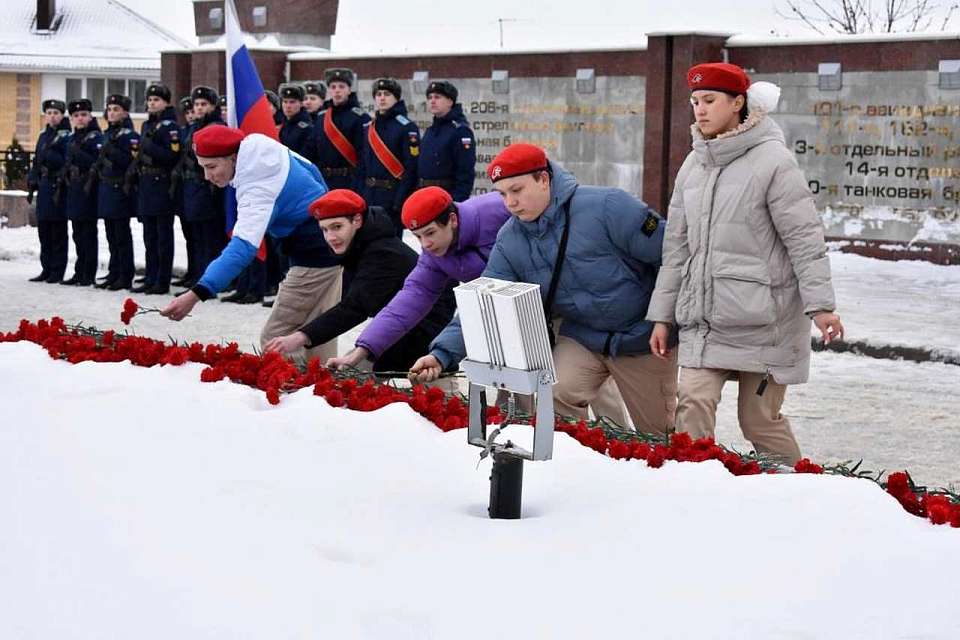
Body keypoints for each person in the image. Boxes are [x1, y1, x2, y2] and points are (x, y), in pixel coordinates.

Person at [646, 62, 844, 465]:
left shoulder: (773, 161)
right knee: (692, 406)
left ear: (738, 103)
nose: (699, 110)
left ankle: (796, 495)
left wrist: (821, 307)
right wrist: (662, 316)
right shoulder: (693, 165)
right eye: (695, 101)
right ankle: (694, 494)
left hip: (766, 322)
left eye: (710, 100)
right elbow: (677, 249)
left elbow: (804, 239)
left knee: (759, 422)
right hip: (705, 321)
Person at [410, 143, 679, 435]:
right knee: (556, 397)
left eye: (517, 190)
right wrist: (441, 353)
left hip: (643, 336)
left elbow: (671, 257)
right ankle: (576, 468)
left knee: (658, 435)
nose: (510, 202)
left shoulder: (609, 206)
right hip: (583, 337)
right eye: (502, 194)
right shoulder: (510, 239)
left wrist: (663, 318)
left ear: (544, 179)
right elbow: (485, 302)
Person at [160, 126, 343, 362]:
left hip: (312, 255)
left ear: (233, 158)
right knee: (315, 335)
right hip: (323, 244)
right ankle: (320, 392)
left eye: (212, 167)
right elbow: (312, 170)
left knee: (277, 339)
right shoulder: (257, 142)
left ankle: (293, 393)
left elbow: (242, 249)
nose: (207, 176)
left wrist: (195, 294)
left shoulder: (257, 187)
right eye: (203, 167)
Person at [264, 190, 455, 371]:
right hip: (396, 326)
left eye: (337, 227)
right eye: (324, 229)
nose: (330, 237)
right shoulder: (361, 243)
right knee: (350, 378)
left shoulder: (381, 252)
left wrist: (300, 337)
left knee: (354, 381)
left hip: (425, 330)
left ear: (357, 220)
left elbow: (355, 308)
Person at [328, 186, 510, 371]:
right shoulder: (433, 254)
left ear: (452, 220)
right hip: (496, 306)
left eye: (430, 233)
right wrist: (361, 352)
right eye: (418, 236)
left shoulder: (499, 208)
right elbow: (410, 300)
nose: (426, 244)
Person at [172, 85, 225, 290]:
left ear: (213, 106)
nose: (199, 108)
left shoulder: (216, 127)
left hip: (208, 188)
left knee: (208, 238)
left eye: (204, 104)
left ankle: (207, 280)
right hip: (191, 188)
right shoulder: (195, 127)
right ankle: (196, 274)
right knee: (194, 237)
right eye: (197, 104)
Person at [130, 83, 181, 295]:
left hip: (162, 184)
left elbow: (172, 155)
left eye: (157, 100)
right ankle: (151, 277)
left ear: (166, 102)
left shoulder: (170, 127)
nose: (152, 103)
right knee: (149, 236)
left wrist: (148, 147)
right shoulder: (147, 126)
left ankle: (162, 280)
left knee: (162, 237)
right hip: (147, 184)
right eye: (150, 100)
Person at [358, 77, 420, 236]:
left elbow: (411, 168)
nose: (382, 98)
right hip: (369, 196)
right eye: (378, 94)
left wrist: (399, 202)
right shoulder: (368, 127)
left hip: (392, 197)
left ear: (396, 98)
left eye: (387, 94)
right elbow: (363, 165)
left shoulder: (406, 127)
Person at [94, 93, 140, 290]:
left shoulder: (129, 136)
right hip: (106, 188)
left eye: (116, 110)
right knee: (111, 235)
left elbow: (131, 161)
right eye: (110, 109)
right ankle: (114, 272)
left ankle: (125, 274)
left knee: (121, 234)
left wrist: (110, 151)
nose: (111, 113)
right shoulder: (107, 134)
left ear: (125, 113)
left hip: (120, 188)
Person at [26, 99, 71, 284]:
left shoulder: (66, 136)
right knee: (44, 230)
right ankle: (46, 268)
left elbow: (65, 161)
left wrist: (50, 154)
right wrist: (32, 180)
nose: (52, 116)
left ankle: (57, 270)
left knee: (57, 231)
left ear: (62, 115)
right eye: (49, 113)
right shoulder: (44, 136)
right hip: (44, 186)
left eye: (56, 113)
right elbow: (37, 160)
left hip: (58, 187)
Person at [60, 98, 103, 287]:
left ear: (90, 116)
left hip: (89, 188)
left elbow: (96, 162)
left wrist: (78, 153)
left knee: (88, 233)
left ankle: (88, 273)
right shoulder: (71, 138)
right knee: (77, 233)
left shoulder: (95, 137)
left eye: (83, 115)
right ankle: (79, 271)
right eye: (76, 116)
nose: (80, 119)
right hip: (75, 187)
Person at [311, 68, 369, 191]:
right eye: (333, 87)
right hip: (324, 181)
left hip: (349, 181)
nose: (337, 90)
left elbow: (363, 155)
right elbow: (314, 151)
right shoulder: (321, 118)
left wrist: (358, 184)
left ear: (349, 90)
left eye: (341, 87)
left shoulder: (360, 117)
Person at [417, 80, 475, 202]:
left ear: (450, 101)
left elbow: (465, 173)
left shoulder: (460, 131)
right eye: (430, 97)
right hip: (425, 195)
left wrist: (455, 203)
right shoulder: (430, 131)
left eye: (437, 97)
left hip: (446, 197)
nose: (432, 101)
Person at [278, 83, 315, 159]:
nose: (288, 106)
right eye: (285, 102)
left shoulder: (306, 128)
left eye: (292, 102)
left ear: (301, 104)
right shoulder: (283, 125)